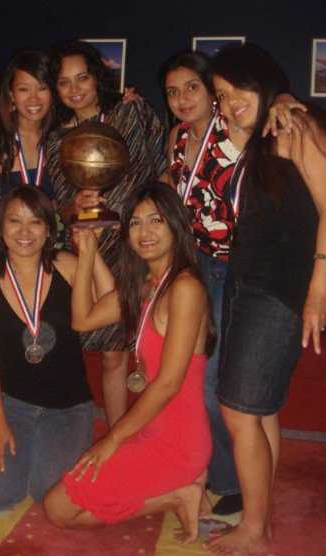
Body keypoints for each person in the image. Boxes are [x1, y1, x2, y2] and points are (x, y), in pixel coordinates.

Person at [204, 44, 326, 555]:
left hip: (277, 289)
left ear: (262, 81)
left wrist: (318, 290)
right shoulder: (267, 133)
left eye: (238, 88)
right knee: (261, 409)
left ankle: (254, 531)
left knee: (239, 412)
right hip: (247, 283)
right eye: (221, 95)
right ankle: (261, 516)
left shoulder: (294, 125)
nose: (230, 102)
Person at [44, 182, 212, 545]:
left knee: (57, 509)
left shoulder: (185, 288)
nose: (144, 232)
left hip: (178, 443)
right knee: (64, 501)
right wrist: (87, 253)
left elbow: (168, 384)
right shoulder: (146, 284)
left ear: (175, 225)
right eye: (135, 223)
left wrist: (112, 439)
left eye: (156, 220)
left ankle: (179, 494)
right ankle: (178, 493)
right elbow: (83, 320)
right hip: (148, 430)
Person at [0, 185, 114, 508]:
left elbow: (109, 301)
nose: (25, 232)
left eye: (35, 221)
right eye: (14, 221)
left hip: (67, 406)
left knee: (47, 492)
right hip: (11, 402)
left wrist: (90, 252)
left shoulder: (65, 264)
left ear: (49, 229)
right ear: (0, 228)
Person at [46, 39, 167, 426]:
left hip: (140, 246)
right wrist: (75, 204)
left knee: (145, 345)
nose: (75, 89)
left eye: (82, 77)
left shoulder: (129, 115)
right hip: (93, 249)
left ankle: (149, 429)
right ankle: (115, 434)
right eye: (64, 82)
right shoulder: (57, 140)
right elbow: (62, 208)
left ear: (97, 78)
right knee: (108, 351)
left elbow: (161, 168)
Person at [160, 51, 242, 515]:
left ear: (212, 90)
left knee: (212, 382)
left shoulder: (234, 129)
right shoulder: (176, 137)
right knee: (189, 375)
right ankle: (200, 465)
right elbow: (176, 191)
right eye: (173, 91)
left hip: (232, 269)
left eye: (192, 86)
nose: (182, 98)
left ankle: (233, 480)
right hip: (190, 268)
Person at [0, 50, 55, 221]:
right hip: (11, 235)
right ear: (11, 95)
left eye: (42, 88)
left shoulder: (59, 138)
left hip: (52, 233)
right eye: (23, 89)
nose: (34, 98)